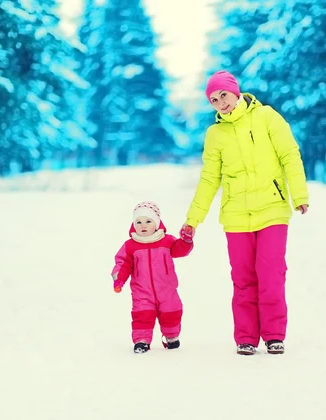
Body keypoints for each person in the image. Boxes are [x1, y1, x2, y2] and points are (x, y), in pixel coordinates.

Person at [182, 70, 309, 356]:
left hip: (272, 209)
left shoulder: (266, 117)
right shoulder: (215, 134)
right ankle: (246, 338)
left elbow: (289, 154)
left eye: (223, 95)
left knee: (271, 274)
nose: (220, 103)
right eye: (213, 100)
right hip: (236, 216)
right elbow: (209, 179)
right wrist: (193, 219)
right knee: (243, 278)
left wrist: (299, 194)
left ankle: (275, 335)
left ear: (235, 91)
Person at [111, 201, 194, 353]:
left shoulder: (167, 241)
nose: (143, 226)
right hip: (142, 291)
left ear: (156, 223)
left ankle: (171, 337)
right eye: (139, 222)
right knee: (142, 314)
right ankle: (142, 341)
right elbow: (122, 263)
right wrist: (119, 280)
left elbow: (180, 250)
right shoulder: (130, 245)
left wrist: (186, 241)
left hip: (166, 289)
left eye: (148, 221)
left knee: (171, 311)